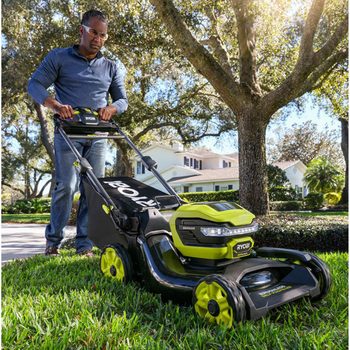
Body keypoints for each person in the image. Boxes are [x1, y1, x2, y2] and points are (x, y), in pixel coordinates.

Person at [28, 9, 128, 256]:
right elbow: (35, 84)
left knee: (93, 190)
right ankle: (54, 241)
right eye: (94, 32)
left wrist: (112, 108)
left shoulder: (110, 67)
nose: (98, 38)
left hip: (98, 135)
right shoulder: (59, 58)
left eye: (103, 35)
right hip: (68, 133)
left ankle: (85, 244)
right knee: (66, 185)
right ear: (81, 30)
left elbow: (122, 100)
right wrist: (54, 105)